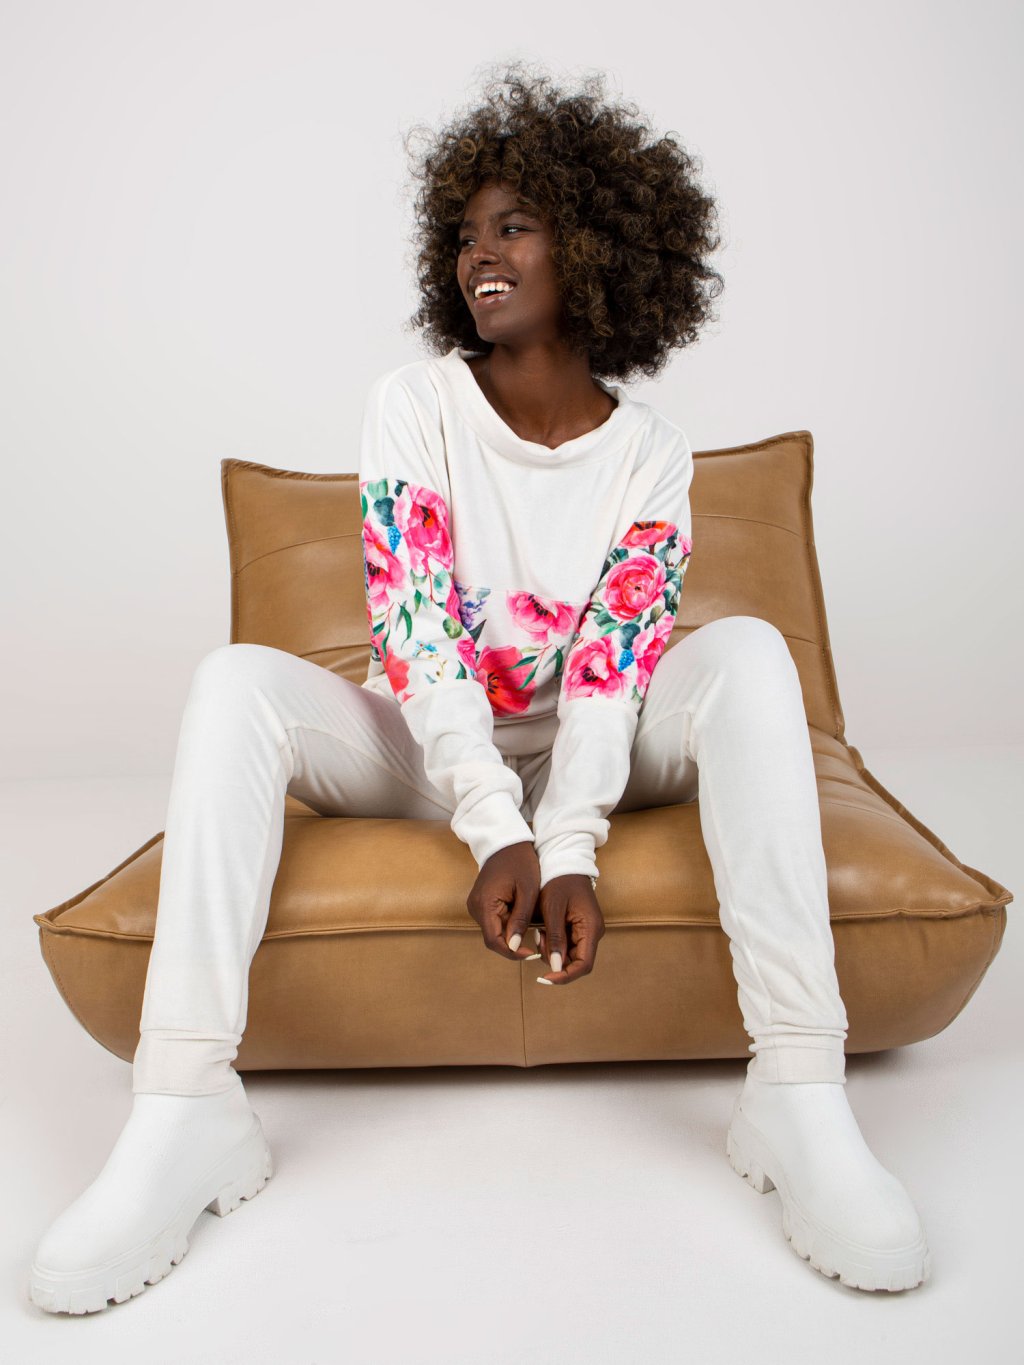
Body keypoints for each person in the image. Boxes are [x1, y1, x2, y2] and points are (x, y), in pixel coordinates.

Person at [29, 62, 930, 1314]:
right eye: (464, 235)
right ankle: (185, 1108)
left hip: (594, 748)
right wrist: (496, 826)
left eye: (515, 226)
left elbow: (612, 671)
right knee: (235, 683)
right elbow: (418, 637)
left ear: (598, 249)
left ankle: (796, 1089)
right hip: (430, 748)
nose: (479, 256)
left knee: (749, 655)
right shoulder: (415, 407)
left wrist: (569, 844)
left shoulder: (652, 454)